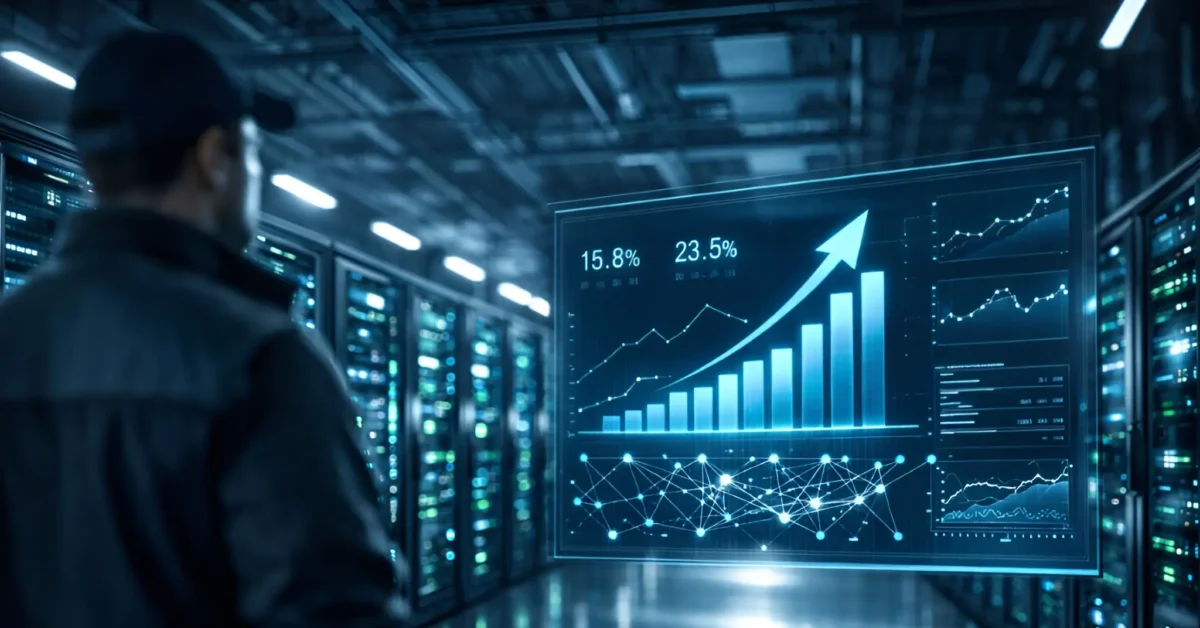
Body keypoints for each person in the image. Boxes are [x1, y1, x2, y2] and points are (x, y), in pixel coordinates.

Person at [0, 29, 408, 627]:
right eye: (254, 151)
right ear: (215, 158)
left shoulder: (12, 334)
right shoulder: (259, 357)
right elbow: (331, 608)